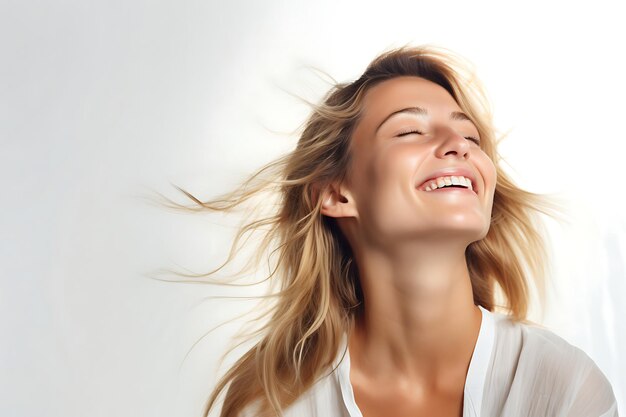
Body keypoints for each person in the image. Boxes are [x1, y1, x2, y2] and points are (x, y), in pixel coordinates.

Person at [172, 45, 618, 416]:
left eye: (471, 137)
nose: (459, 145)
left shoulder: (564, 388)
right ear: (337, 194)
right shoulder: (274, 400)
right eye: (409, 131)